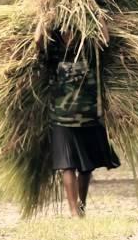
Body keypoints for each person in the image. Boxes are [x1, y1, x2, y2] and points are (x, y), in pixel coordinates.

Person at [35, 19, 120, 218]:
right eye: (64, 30)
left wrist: (97, 15)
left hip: (89, 116)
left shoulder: (88, 48)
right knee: (67, 164)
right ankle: (74, 211)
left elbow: (104, 41)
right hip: (62, 118)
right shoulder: (54, 51)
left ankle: (81, 205)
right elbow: (38, 41)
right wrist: (43, 17)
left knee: (86, 166)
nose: (68, 34)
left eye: (72, 29)